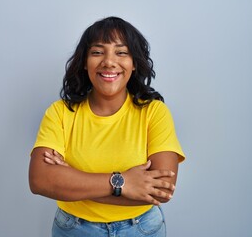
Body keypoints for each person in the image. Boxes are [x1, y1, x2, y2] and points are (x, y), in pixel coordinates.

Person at [29, 16, 185, 237]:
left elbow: (161, 190)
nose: (109, 62)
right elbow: (39, 180)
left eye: (121, 52)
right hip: (73, 229)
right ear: (84, 62)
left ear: (134, 63)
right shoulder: (60, 112)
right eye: (97, 52)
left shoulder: (154, 112)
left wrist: (70, 178)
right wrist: (122, 183)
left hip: (141, 229)